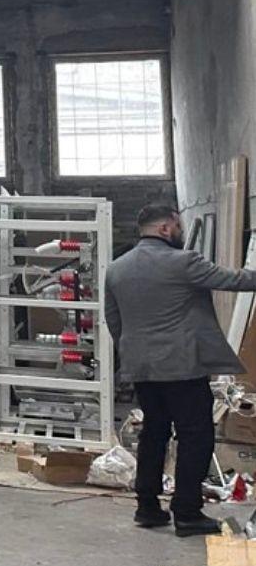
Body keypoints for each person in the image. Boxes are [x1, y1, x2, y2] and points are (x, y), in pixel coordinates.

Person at [106, 202, 256, 536]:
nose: (180, 231)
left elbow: (114, 320)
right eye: (177, 225)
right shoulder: (183, 262)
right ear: (165, 228)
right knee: (195, 435)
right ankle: (187, 512)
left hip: (142, 368)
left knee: (154, 432)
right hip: (181, 367)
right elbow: (233, 280)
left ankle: (147, 507)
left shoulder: (116, 269)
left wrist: (137, 352)